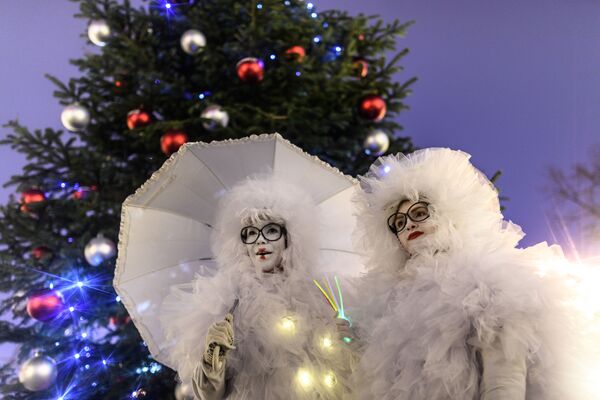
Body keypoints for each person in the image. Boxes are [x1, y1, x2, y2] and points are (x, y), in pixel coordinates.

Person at [352, 148, 586, 400]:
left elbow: (505, 380)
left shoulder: (488, 276)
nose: (408, 224)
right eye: (398, 223)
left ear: (449, 214)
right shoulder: (391, 301)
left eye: (419, 213)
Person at [161, 175, 355, 400]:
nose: (260, 241)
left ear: (289, 238)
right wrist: (214, 355)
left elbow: (347, 378)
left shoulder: (320, 295)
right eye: (251, 233)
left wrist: (349, 344)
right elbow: (208, 396)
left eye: (271, 230)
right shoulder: (226, 302)